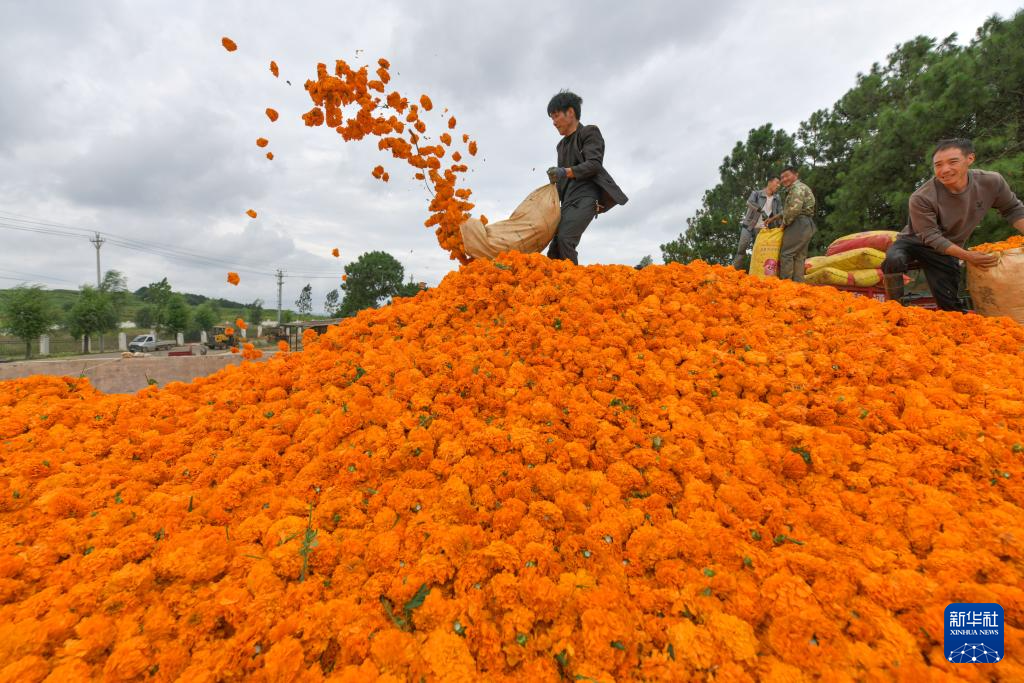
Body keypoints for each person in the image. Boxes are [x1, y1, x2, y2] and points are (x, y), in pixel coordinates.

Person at [881, 138, 1024, 311]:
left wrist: (962, 255)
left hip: (948, 246)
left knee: (951, 308)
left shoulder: (991, 182)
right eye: (938, 165)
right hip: (914, 241)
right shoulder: (922, 197)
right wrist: (968, 256)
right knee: (893, 259)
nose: (945, 170)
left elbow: (1013, 209)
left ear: (970, 159)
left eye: (952, 162)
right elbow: (931, 237)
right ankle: (895, 308)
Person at [545, 91, 628, 264]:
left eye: (556, 116)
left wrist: (565, 172)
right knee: (554, 251)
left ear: (570, 112)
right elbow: (562, 179)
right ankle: (556, 288)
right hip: (567, 202)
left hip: (586, 198)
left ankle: (574, 286)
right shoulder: (560, 146)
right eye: (551, 118)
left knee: (566, 239)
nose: (553, 122)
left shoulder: (589, 133)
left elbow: (594, 164)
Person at [765, 166, 816, 282]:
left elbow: (794, 210)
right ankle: (798, 287)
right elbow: (789, 209)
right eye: (782, 177)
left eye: (787, 176)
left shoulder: (796, 189)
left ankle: (785, 286)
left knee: (786, 254)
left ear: (796, 175)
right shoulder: (800, 188)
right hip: (807, 224)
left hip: (798, 223)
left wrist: (783, 224)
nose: (783, 179)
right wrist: (773, 218)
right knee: (799, 256)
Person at [733, 177, 782, 270]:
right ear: (770, 182)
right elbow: (749, 203)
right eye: (777, 183)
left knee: (759, 252)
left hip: (762, 229)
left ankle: (756, 272)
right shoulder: (756, 194)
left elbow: (780, 212)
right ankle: (734, 271)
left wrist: (779, 224)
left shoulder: (777, 198)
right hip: (749, 226)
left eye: (779, 184)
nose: (778, 185)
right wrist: (761, 211)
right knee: (741, 249)